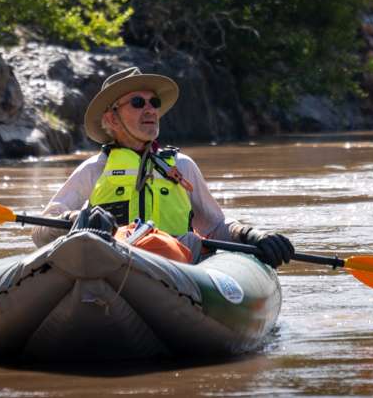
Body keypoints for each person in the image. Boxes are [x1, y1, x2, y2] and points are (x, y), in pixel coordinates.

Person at [31, 66, 295, 268]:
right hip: (114, 268)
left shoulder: (182, 166)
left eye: (153, 103)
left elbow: (215, 228)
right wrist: (73, 218)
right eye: (137, 103)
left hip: (178, 272)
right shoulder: (94, 170)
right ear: (111, 118)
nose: (150, 110)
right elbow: (40, 233)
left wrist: (251, 235)